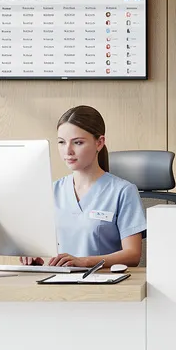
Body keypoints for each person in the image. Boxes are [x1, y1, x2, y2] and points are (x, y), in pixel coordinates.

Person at [21, 106, 145, 267]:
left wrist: (85, 261)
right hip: (56, 284)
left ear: (99, 143)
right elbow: (42, 246)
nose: (68, 151)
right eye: (61, 142)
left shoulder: (123, 191)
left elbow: (133, 255)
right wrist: (34, 257)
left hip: (103, 285)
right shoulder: (52, 191)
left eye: (77, 142)